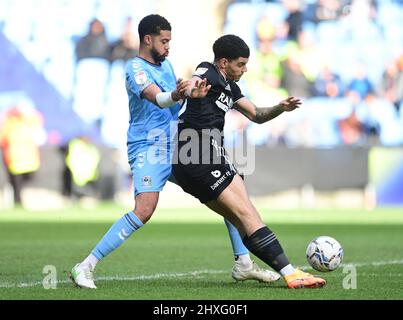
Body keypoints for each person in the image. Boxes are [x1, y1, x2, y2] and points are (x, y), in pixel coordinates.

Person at [70, 15, 279, 289]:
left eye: (170, 40)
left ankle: (243, 263)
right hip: (149, 145)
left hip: (178, 144)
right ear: (148, 39)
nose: (168, 46)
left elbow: (177, 102)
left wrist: (192, 97)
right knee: (144, 210)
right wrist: (179, 95)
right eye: (164, 40)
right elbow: (158, 99)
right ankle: (85, 266)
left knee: (228, 193)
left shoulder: (166, 65)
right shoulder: (135, 68)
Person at [172, 34, 327, 289]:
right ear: (223, 63)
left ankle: (254, 267)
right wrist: (191, 91)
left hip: (205, 159)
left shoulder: (231, 88)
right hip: (199, 157)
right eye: (241, 64)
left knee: (246, 218)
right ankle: (290, 272)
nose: (245, 69)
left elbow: (256, 114)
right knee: (247, 216)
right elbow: (193, 83)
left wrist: (280, 107)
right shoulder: (208, 72)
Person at [0, 104, 45, 207]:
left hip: (29, 158)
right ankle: (17, 202)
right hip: (14, 158)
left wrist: (26, 111)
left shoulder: (28, 122)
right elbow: (2, 138)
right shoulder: (9, 124)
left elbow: (38, 120)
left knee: (30, 177)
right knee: (16, 183)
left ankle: (16, 198)